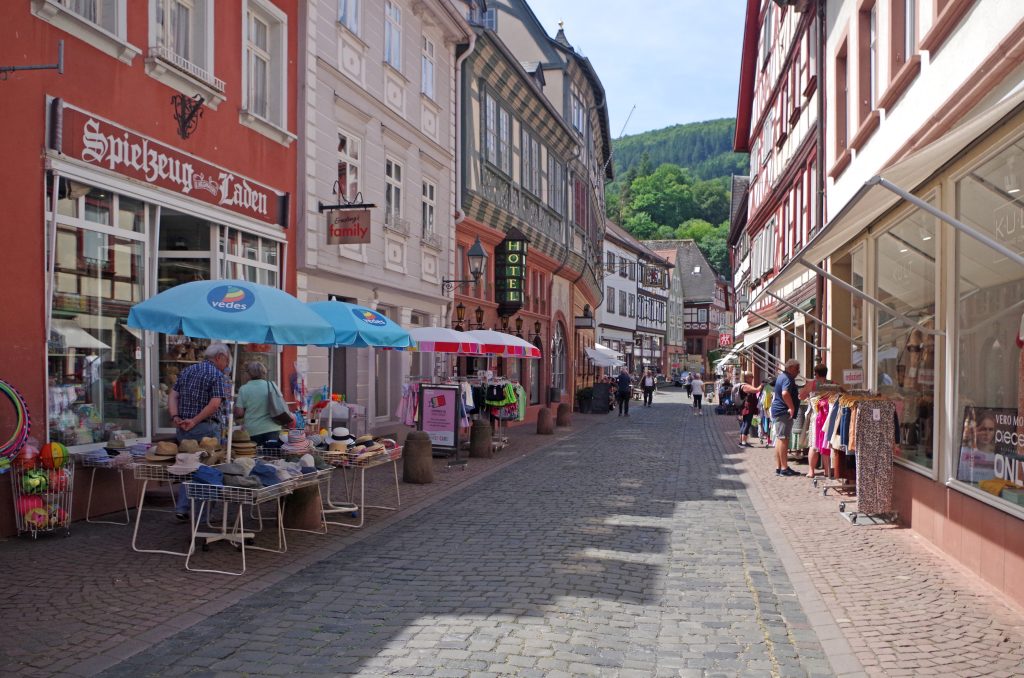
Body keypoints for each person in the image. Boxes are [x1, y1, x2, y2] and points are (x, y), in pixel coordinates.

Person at [167, 342, 231, 521]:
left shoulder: (188, 370)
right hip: (205, 428)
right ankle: (202, 515)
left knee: (187, 467)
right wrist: (195, 420)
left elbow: (173, 395)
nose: (227, 364)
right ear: (219, 357)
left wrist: (175, 417)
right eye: (227, 360)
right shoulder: (217, 375)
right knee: (206, 471)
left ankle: (182, 508)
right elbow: (215, 404)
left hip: (183, 429)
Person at [234, 361, 291, 447]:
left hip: (253, 430)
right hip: (273, 428)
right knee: (272, 458)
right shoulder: (272, 385)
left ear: (249, 374)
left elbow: (239, 413)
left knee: (255, 457)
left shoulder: (244, 389)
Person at [800, 364, 835, 478]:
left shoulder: (812, 384)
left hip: (817, 417)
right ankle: (826, 470)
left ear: (816, 374)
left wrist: (809, 397)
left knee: (813, 445)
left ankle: (811, 471)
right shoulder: (832, 384)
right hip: (829, 417)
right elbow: (843, 393)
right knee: (826, 444)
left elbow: (801, 396)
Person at [771, 359, 802, 477]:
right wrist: (791, 407)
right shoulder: (787, 378)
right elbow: (785, 393)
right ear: (790, 368)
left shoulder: (781, 376)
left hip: (779, 410)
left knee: (780, 439)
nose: (798, 372)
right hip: (783, 411)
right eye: (796, 369)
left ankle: (779, 467)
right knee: (784, 439)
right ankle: (784, 468)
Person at [737, 372, 763, 447]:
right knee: (746, 424)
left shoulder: (744, 385)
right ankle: (743, 443)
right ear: (746, 378)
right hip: (747, 408)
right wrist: (762, 384)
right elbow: (756, 390)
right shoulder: (745, 386)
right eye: (751, 377)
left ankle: (742, 442)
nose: (752, 378)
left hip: (747, 407)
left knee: (745, 424)